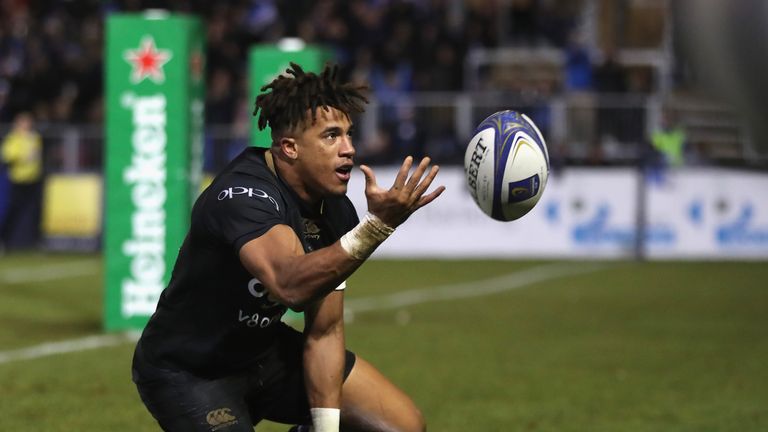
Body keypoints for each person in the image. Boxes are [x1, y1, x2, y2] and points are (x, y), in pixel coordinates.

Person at [132, 62, 445, 432]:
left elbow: (324, 331)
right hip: (190, 370)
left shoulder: (335, 209)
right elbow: (290, 284)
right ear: (289, 148)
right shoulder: (241, 196)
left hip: (264, 354)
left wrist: (326, 429)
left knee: (403, 426)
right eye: (331, 136)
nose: (349, 149)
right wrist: (377, 227)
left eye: (348, 134)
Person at [0, 112, 43, 251]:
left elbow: (37, 157)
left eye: (28, 122)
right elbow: (7, 156)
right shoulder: (13, 138)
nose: (26, 125)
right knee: (12, 210)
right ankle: (4, 240)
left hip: (33, 180)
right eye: (23, 122)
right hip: (18, 179)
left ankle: (35, 242)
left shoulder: (35, 137)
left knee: (35, 212)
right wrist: (23, 156)